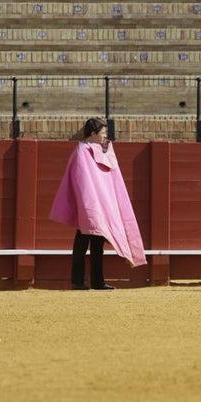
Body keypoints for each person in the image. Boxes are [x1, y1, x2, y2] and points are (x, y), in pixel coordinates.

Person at [51, 117, 147, 290]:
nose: (105, 137)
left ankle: (97, 281)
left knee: (97, 245)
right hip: (88, 206)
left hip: (98, 206)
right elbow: (83, 183)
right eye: (102, 133)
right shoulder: (81, 152)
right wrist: (89, 208)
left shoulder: (100, 151)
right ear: (93, 133)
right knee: (82, 243)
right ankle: (78, 282)